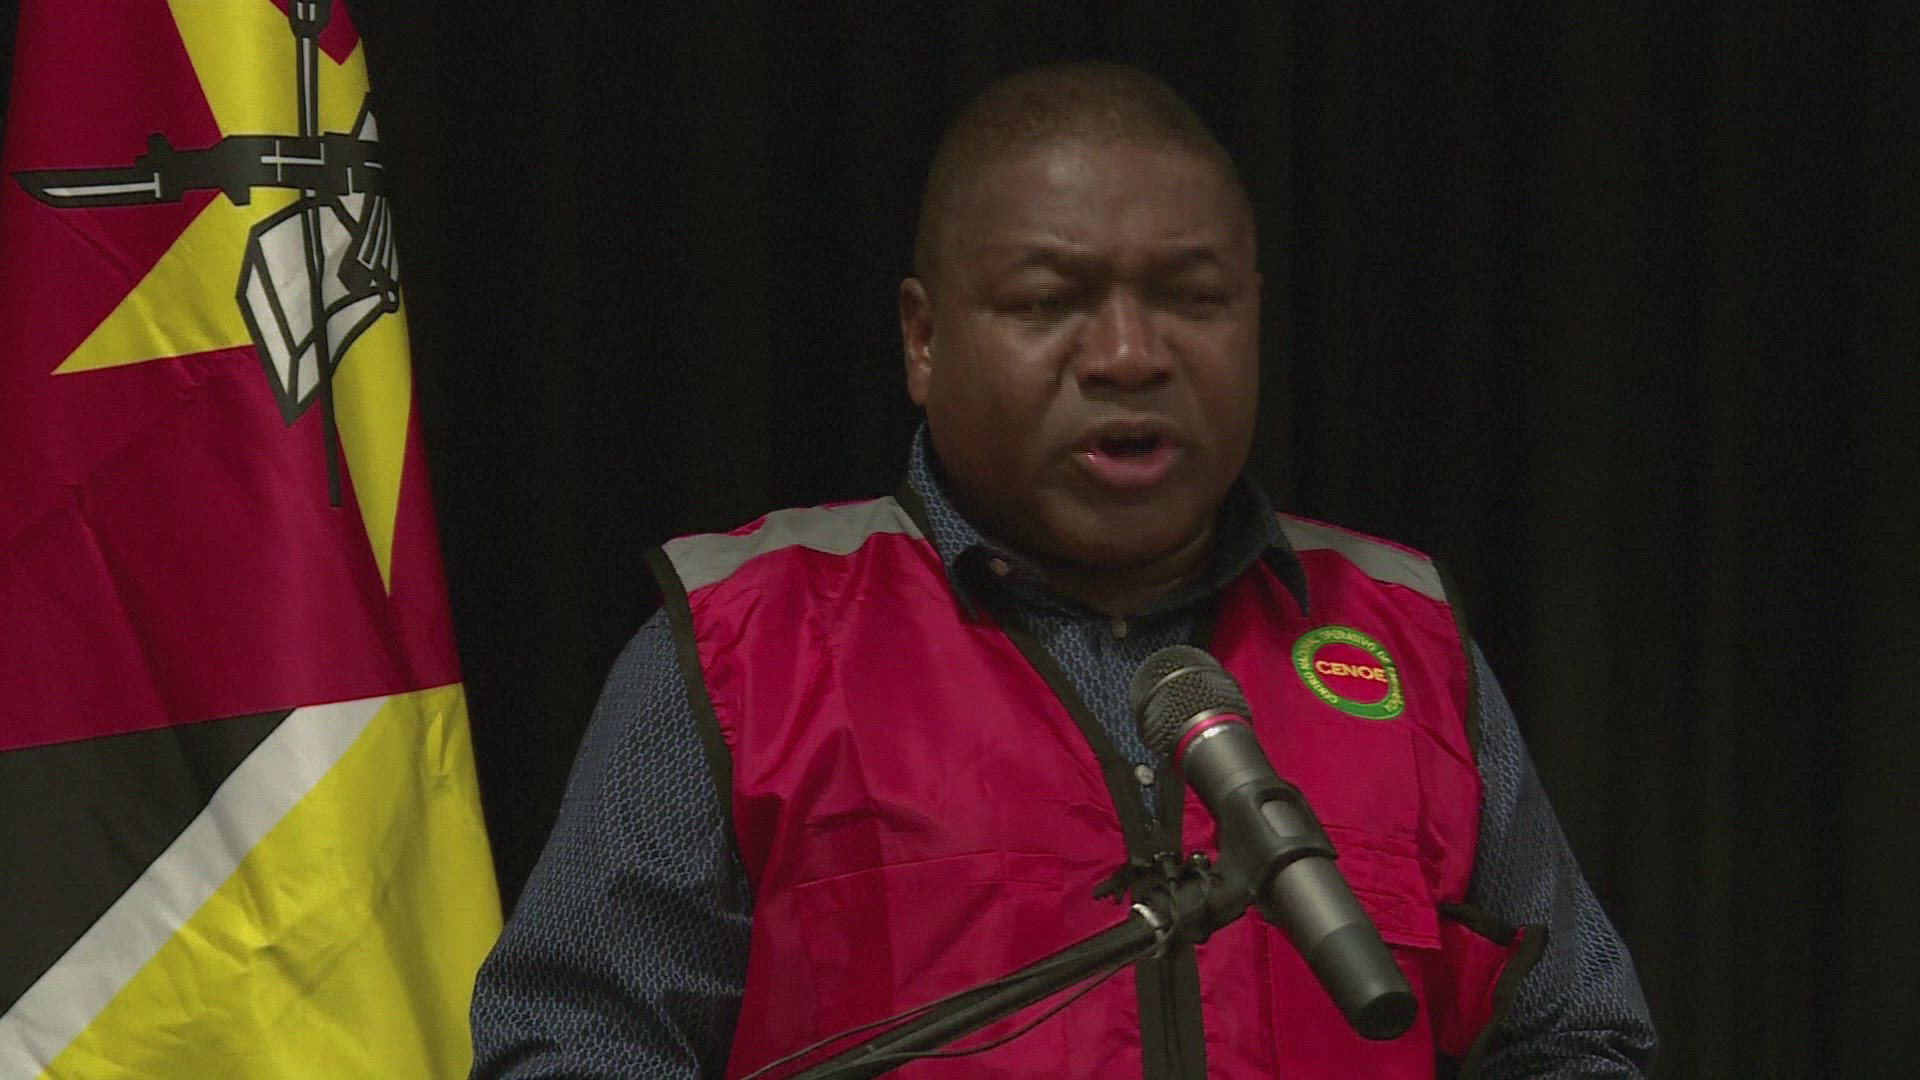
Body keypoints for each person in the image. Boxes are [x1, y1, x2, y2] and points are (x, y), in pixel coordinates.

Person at [467, 62, 1656, 1079]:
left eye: (1193, 299)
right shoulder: (747, 643)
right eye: (1049, 302)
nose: (1130, 354)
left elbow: (1573, 1037)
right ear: (924, 339)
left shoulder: (1403, 634)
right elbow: (575, 1047)